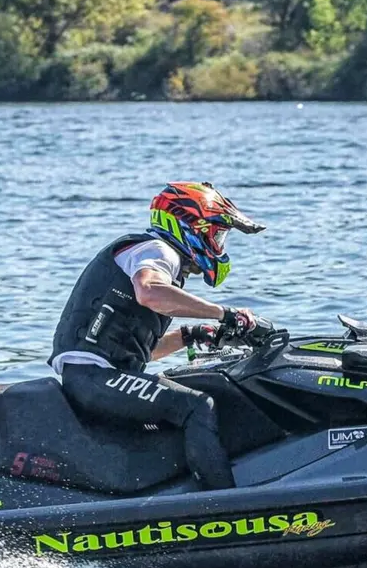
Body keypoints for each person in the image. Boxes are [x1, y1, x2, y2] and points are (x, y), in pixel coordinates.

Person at [49, 182, 268, 489]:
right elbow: (148, 292)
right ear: (190, 227)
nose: (218, 244)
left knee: (197, 393)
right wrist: (225, 313)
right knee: (197, 405)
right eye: (216, 234)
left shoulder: (160, 262)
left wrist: (190, 335)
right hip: (92, 378)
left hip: (99, 375)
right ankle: (222, 504)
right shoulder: (158, 251)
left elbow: (143, 352)